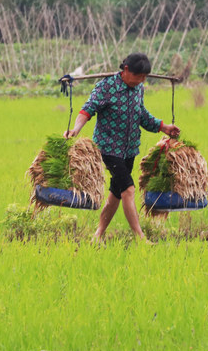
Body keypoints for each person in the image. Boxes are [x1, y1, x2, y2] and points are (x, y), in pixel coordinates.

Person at [65, 53, 180, 242]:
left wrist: (163, 127)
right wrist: (75, 129)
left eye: (144, 77)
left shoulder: (139, 88)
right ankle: (140, 238)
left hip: (129, 149)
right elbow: (88, 109)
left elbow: (141, 114)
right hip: (109, 148)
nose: (141, 81)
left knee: (116, 194)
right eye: (138, 76)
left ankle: (98, 235)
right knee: (128, 190)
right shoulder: (106, 87)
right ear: (126, 70)